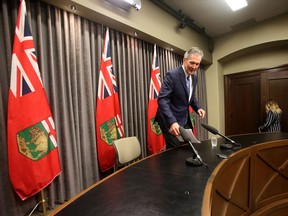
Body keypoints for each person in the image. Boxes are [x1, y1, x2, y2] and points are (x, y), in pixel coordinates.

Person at [156, 47, 205, 149]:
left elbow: (190, 96)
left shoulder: (194, 77)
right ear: (184, 60)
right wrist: (172, 122)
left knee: (188, 146)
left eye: (197, 64)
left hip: (184, 119)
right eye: (192, 63)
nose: (194, 67)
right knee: (176, 150)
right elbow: (162, 99)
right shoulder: (172, 75)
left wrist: (198, 108)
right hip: (170, 119)